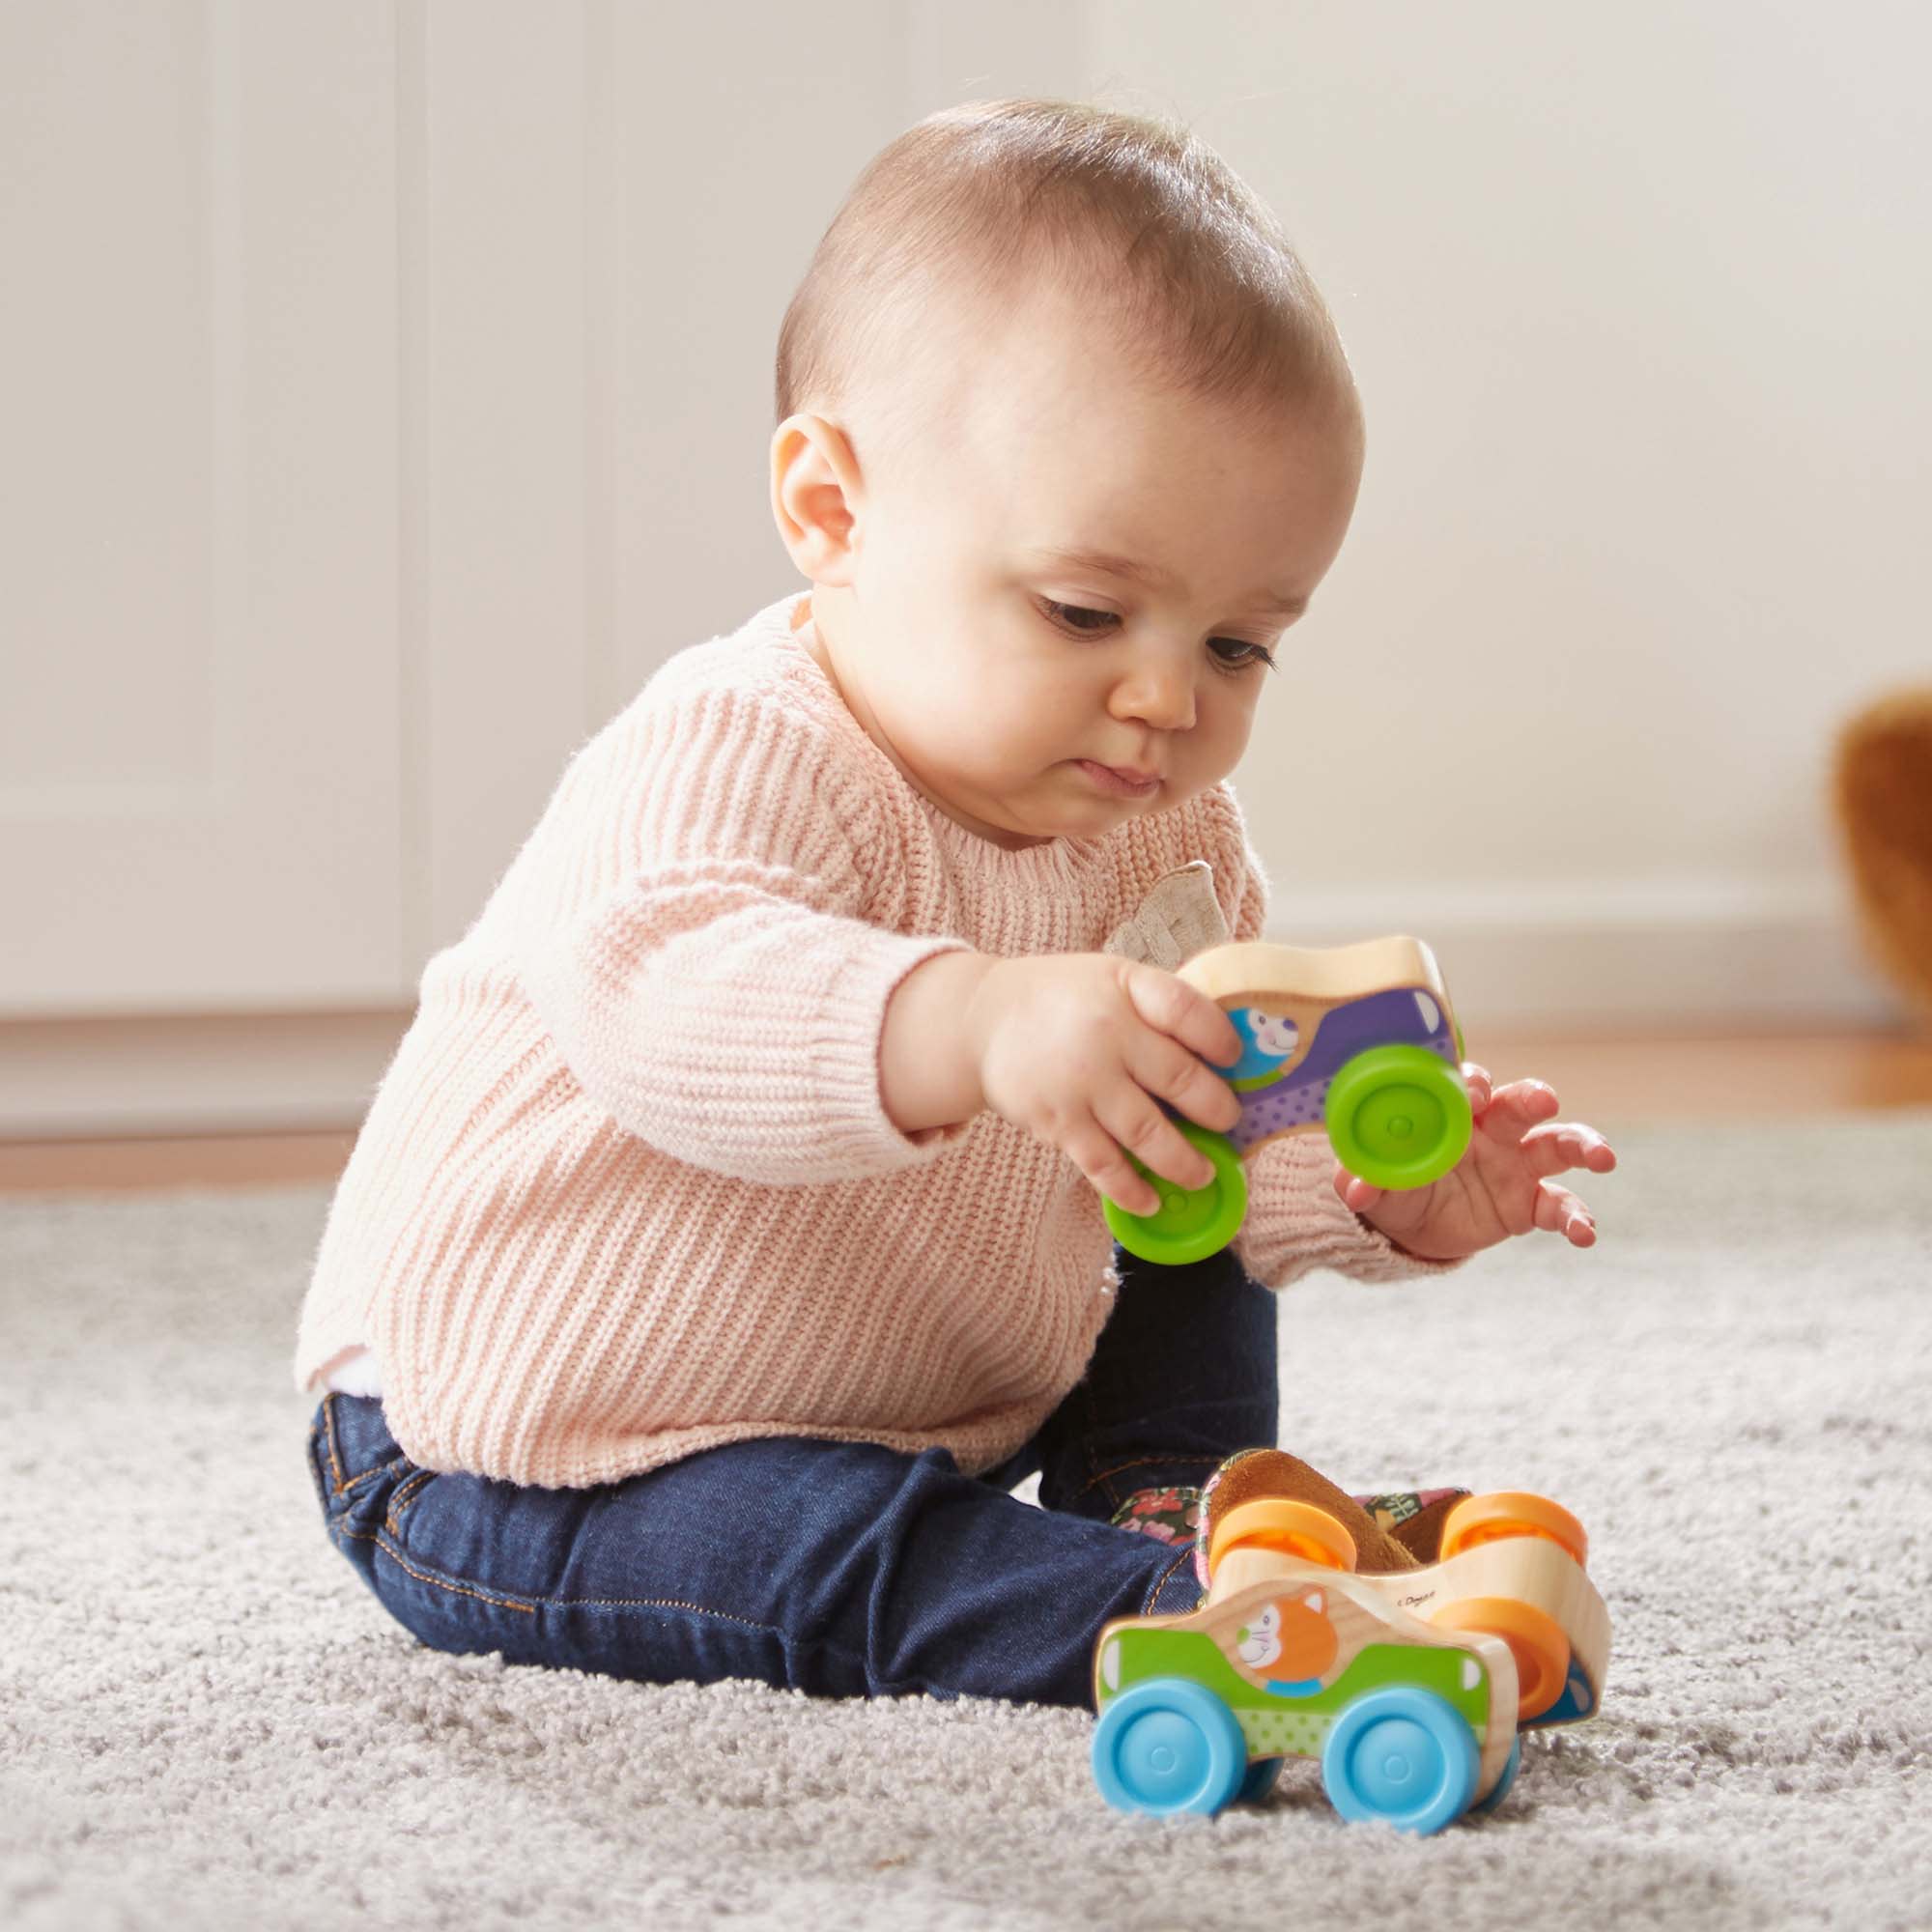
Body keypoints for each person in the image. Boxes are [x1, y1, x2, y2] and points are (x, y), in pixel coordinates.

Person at [297, 98, 1616, 1711]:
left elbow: (1225, 1155)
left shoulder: (1170, 845)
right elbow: (672, 1001)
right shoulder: (736, 744)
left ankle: (1185, 1501)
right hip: (531, 1444)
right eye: (1085, 610)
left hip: (904, 1383)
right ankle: (1148, 1612)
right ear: (832, 513)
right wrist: (978, 1022)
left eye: (1236, 645)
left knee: (1171, 1125)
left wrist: (1370, 1194)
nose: (1163, 699)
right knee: (833, 1555)